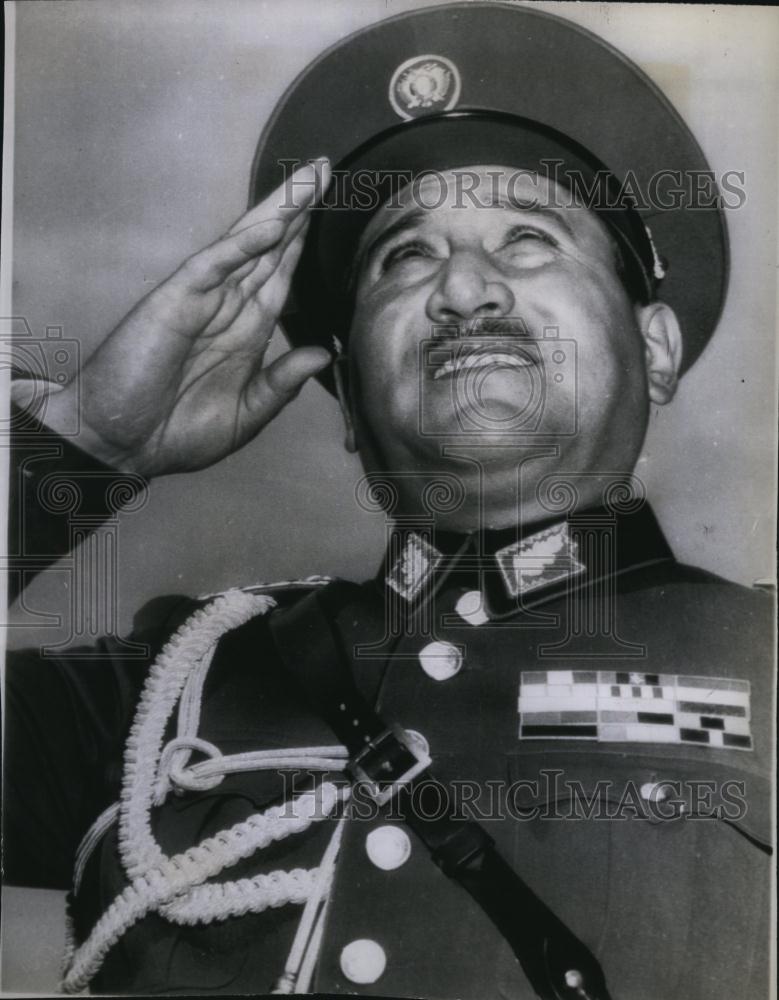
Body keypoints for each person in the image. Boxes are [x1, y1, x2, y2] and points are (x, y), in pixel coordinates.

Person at [3, 3, 773, 999]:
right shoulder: (169, 689)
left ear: (655, 349)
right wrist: (78, 451)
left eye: (529, 240)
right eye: (401, 257)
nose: (461, 289)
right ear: (353, 405)